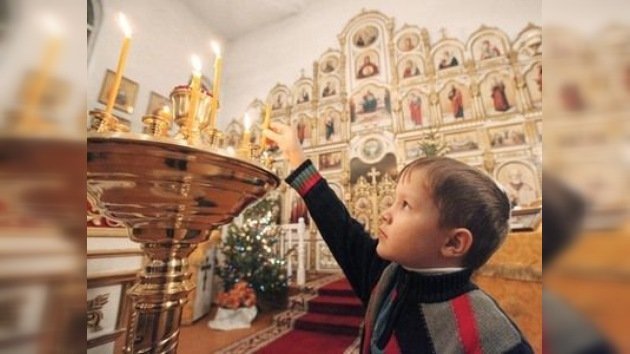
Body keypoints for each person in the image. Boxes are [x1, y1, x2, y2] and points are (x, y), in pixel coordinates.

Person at [262, 122, 533, 354]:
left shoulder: (489, 333)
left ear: (453, 243)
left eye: (405, 205)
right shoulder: (385, 277)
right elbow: (339, 226)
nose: (385, 214)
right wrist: (295, 156)